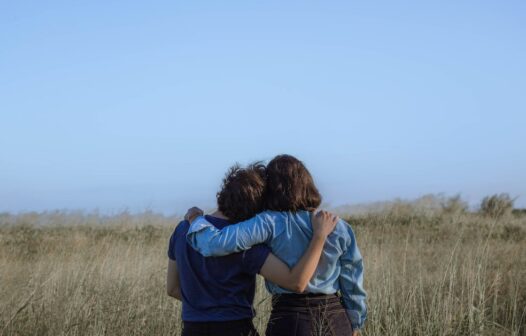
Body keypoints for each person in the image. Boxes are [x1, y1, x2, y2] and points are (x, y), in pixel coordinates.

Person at [185, 155, 367, 336]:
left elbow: (215, 244)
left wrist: (196, 220)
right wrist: (355, 323)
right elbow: (352, 280)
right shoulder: (338, 225)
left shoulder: (268, 222)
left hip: (290, 317)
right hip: (337, 318)